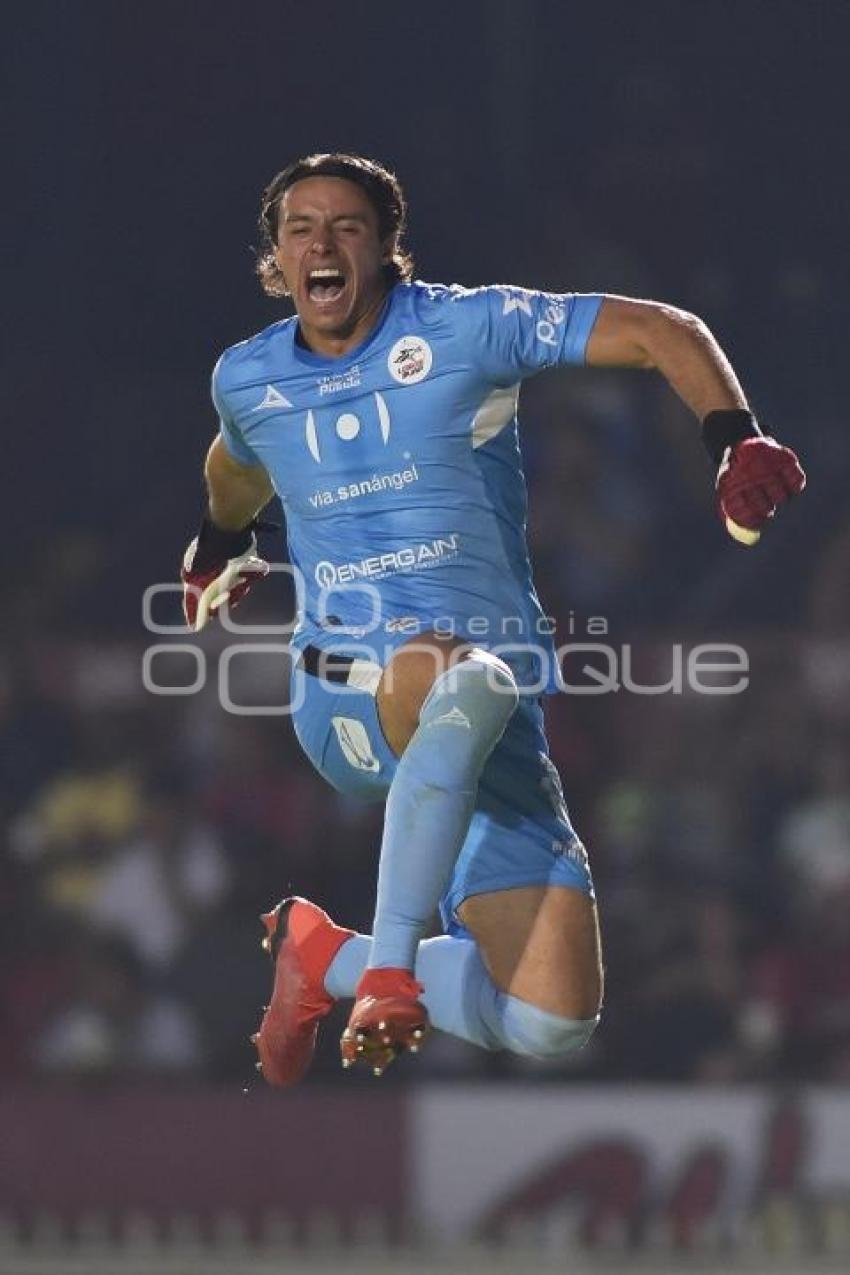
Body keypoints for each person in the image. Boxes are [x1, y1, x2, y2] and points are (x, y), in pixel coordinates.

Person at [180, 153, 805, 1084]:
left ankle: (326, 957)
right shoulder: (248, 376)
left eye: (347, 225)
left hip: (487, 714)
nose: (322, 243)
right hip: (346, 700)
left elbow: (658, 330)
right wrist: (215, 543)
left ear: (388, 246)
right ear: (275, 257)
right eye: (300, 228)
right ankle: (389, 968)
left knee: (551, 1019)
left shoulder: (470, 327)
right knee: (464, 674)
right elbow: (235, 465)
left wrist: (732, 438)